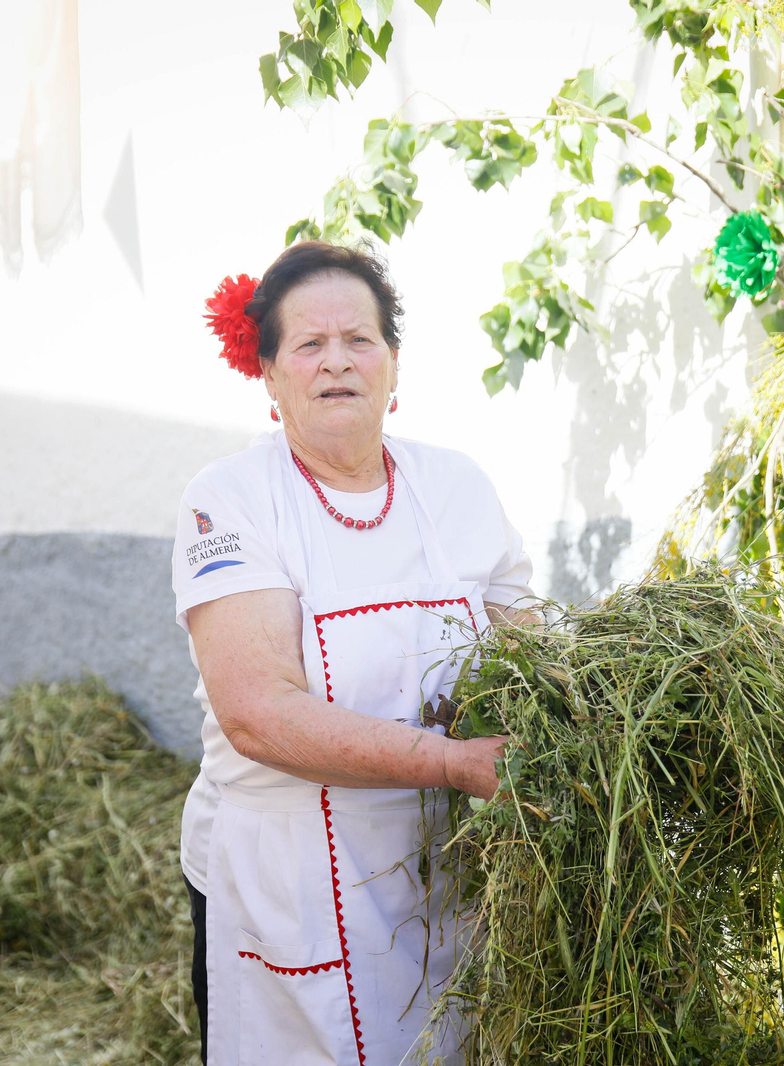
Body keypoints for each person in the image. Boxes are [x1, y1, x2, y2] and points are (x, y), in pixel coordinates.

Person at [170, 241, 534, 1066]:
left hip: (444, 863)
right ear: (269, 374)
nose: (337, 361)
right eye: (309, 344)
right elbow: (259, 714)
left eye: (359, 340)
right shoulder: (230, 499)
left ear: (393, 364)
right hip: (290, 874)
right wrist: (456, 762)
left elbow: (529, 651)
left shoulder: (457, 486)